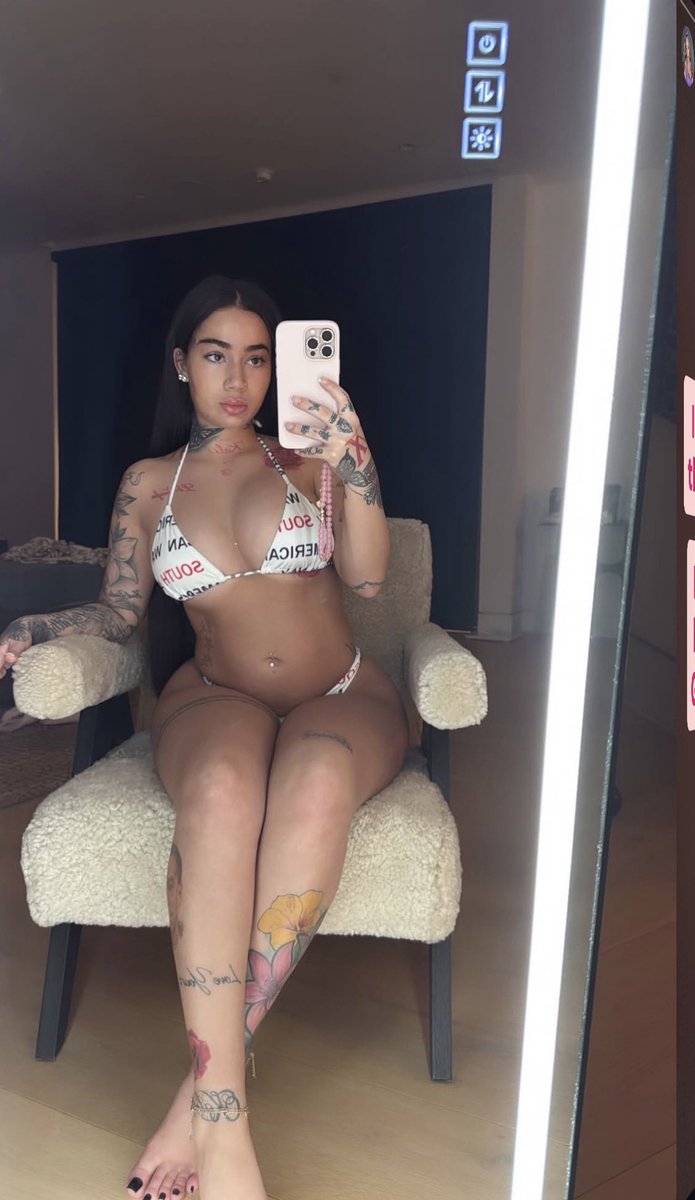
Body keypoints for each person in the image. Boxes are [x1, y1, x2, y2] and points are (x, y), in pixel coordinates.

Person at [0, 275, 409, 1200]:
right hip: (216, 693)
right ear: (182, 362)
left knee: (316, 778)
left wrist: (353, 459)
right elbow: (118, 612)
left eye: (257, 358)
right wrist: (37, 628)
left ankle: (205, 1099)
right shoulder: (147, 486)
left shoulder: (308, 460)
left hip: (339, 692)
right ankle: (227, 1138)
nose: (238, 379)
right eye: (217, 355)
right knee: (221, 789)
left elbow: (368, 580)